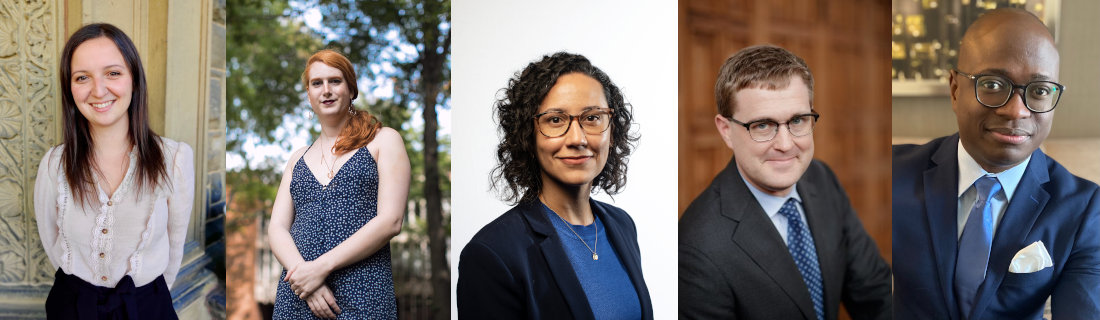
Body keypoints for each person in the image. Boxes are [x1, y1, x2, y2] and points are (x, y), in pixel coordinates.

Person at [892, 8, 1100, 319]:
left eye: (1040, 90)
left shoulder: (1084, 209)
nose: (1016, 112)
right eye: (992, 84)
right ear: (954, 89)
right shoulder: (892, 173)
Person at [679, 45, 892, 320]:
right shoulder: (697, 248)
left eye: (797, 120)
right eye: (762, 126)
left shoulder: (821, 179)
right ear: (726, 130)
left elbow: (876, 294)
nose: (785, 144)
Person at [456, 52, 652, 319]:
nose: (577, 138)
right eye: (555, 120)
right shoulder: (491, 254)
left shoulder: (622, 225)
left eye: (592, 117)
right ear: (528, 135)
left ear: (612, 130)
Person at [33, 23, 193, 319]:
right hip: (72, 307)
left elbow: (174, 246)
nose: (98, 90)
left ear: (134, 78)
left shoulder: (175, 159)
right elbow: (50, 238)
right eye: (82, 77)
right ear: (70, 87)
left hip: (146, 307)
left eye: (113, 73)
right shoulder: (55, 163)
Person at [268, 49, 410, 319]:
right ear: (309, 95)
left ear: (351, 89)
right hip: (299, 295)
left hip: (363, 291)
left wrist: (319, 269)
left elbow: (391, 220)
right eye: (317, 83)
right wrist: (305, 279)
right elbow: (276, 227)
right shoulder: (297, 158)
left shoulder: (384, 141)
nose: (326, 90)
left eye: (335, 81)